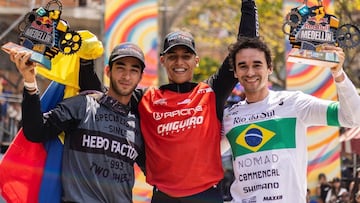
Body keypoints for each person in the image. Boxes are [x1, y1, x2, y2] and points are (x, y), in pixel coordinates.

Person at [135, 1, 258, 202]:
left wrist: (248, 4)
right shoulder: (145, 98)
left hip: (207, 195)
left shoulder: (210, 92)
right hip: (163, 196)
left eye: (186, 56)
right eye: (172, 56)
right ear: (162, 60)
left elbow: (245, 46)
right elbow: (109, 95)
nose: (179, 62)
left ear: (196, 60)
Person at [222, 37, 360, 202]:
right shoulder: (228, 116)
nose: (250, 72)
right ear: (236, 72)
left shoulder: (294, 103)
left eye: (257, 65)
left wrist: (338, 74)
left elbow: (352, 118)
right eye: (243, 66)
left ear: (270, 68)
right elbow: (205, 158)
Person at [8, 42, 146, 202]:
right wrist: (30, 81)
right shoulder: (82, 105)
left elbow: (157, 172)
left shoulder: (140, 123)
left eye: (133, 70)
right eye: (120, 68)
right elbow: (36, 131)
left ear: (141, 77)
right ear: (108, 71)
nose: (126, 76)